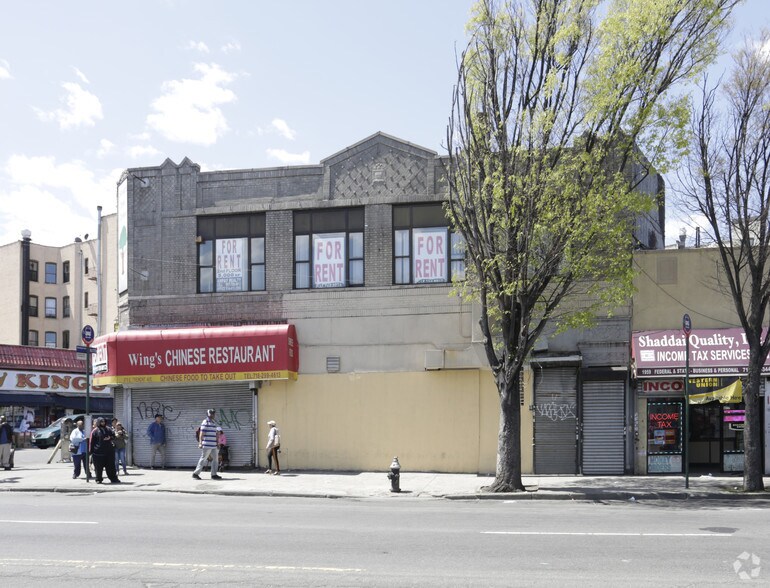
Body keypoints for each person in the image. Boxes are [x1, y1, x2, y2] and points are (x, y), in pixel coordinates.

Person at [192, 409, 221, 480]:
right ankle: (195, 474)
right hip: (207, 445)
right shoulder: (205, 422)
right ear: (208, 414)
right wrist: (200, 443)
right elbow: (201, 433)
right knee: (203, 459)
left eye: (213, 413)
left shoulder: (214, 422)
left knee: (215, 460)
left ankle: (214, 474)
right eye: (211, 414)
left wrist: (217, 443)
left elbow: (215, 434)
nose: (213, 415)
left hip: (214, 445)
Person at [90, 417, 120, 484]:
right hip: (98, 453)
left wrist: (110, 438)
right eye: (101, 422)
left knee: (111, 467)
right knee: (98, 468)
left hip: (109, 452)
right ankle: (98, 479)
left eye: (103, 421)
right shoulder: (95, 431)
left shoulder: (108, 429)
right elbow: (91, 442)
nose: (103, 423)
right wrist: (91, 452)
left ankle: (113, 479)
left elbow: (113, 436)